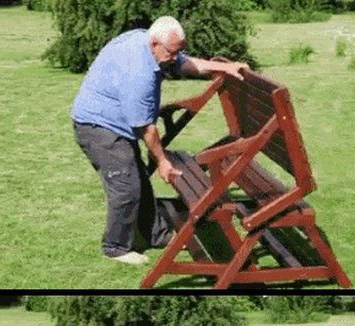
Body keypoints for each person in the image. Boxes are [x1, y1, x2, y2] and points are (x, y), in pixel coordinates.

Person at [71, 16, 249, 265]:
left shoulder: (150, 45)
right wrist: (163, 162)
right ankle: (115, 247)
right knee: (126, 185)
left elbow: (185, 64)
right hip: (99, 127)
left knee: (139, 179)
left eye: (179, 51)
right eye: (172, 52)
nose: (176, 58)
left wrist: (222, 68)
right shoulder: (139, 72)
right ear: (155, 43)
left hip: (113, 122)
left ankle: (157, 234)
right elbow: (147, 129)